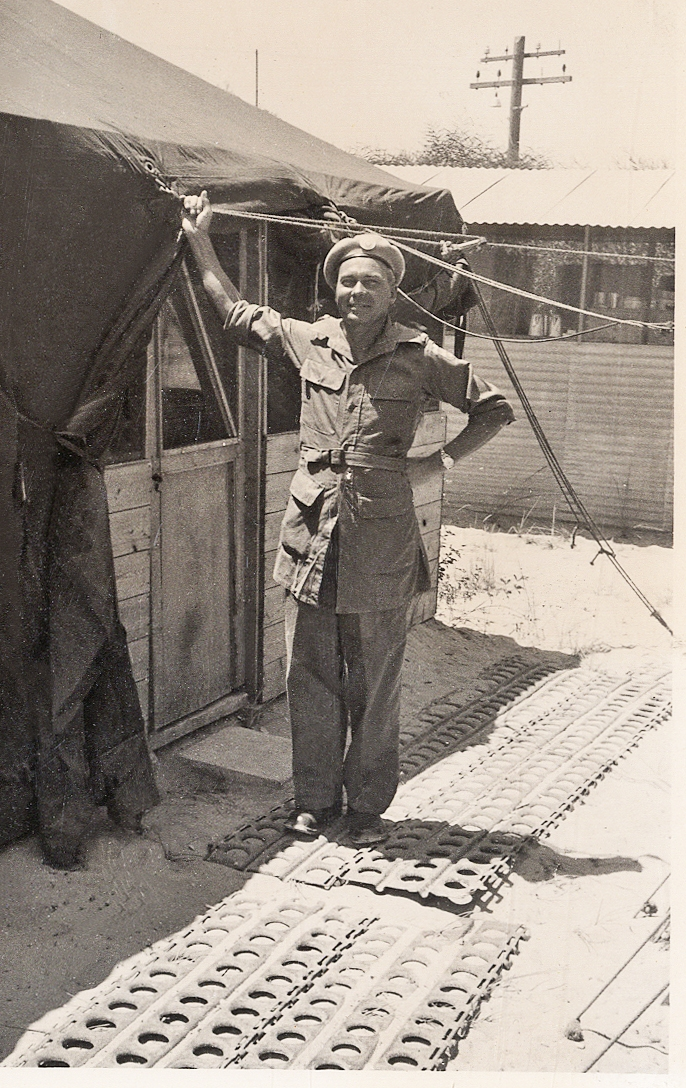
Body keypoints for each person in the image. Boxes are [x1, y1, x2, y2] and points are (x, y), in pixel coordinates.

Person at [181, 191, 514, 846]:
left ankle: (365, 806)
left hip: (380, 540)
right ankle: (314, 801)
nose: (358, 291)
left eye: (372, 282)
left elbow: (494, 409)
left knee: (374, 682)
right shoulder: (311, 340)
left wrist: (437, 462)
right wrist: (199, 241)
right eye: (348, 281)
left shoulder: (419, 354)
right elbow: (236, 313)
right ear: (335, 288)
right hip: (310, 538)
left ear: (392, 293)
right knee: (307, 675)